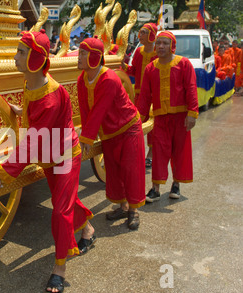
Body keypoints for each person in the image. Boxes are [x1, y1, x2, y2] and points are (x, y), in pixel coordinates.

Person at [0, 29, 95, 293]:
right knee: (62, 200)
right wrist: (24, 111)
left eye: (21, 53)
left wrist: (2, 171)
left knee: (59, 210)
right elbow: (34, 119)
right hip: (48, 153)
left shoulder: (50, 95)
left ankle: (59, 270)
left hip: (65, 154)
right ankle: (88, 228)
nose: (15, 57)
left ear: (36, 57)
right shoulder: (32, 83)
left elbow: (32, 141)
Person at [77, 36, 145, 230]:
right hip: (109, 131)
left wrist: (88, 138)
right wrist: (85, 134)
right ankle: (123, 206)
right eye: (80, 53)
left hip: (128, 127)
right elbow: (85, 110)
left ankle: (134, 210)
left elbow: (99, 109)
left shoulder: (108, 78)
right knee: (113, 171)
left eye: (83, 53)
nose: (78, 57)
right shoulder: (82, 79)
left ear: (94, 57)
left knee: (131, 170)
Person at [138, 31, 199, 202]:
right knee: (158, 152)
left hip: (181, 118)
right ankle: (155, 189)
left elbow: (191, 89)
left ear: (172, 46)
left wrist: (192, 113)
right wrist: (137, 118)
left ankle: (176, 184)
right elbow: (144, 96)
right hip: (160, 118)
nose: (161, 46)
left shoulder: (184, 64)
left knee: (180, 152)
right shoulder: (151, 68)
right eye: (159, 43)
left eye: (165, 43)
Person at [122, 23, 158, 168]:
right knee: (137, 122)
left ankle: (151, 153)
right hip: (138, 94)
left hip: (154, 95)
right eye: (140, 32)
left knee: (153, 125)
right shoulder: (138, 52)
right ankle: (137, 151)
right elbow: (133, 71)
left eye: (143, 32)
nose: (140, 35)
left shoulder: (158, 53)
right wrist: (123, 64)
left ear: (151, 35)